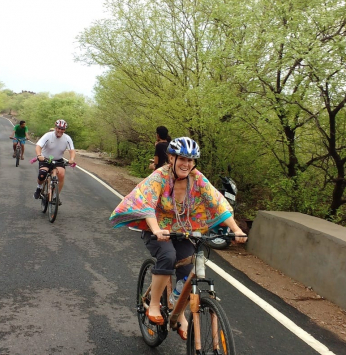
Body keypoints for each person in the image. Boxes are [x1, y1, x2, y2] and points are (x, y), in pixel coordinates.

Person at [110, 137, 247, 340]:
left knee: (188, 268)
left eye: (191, 160)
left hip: (184, 230)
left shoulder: (197, 178)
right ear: (171, 158)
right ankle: (154, 304)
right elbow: (147, 203)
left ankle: (179, 312)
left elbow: (216, 202)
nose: (187, 164)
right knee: (168, 255)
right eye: (182, 158)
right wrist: (156, 229)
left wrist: (236, 229)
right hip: (157, 229)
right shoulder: (160, 176)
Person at [33, 119, 76, 201]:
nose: (60, 130)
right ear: (55, 128)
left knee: (61, 175)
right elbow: (38, 146)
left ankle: (56, 196)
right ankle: (39, 187)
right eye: (58, 128)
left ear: (64, 130)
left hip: (58, 160)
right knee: (42, 174)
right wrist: (39, 155)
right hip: (45, 159)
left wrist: (72, 159)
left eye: (62, 129)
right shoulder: (48, 135)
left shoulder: (67, 138)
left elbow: (72, 150)